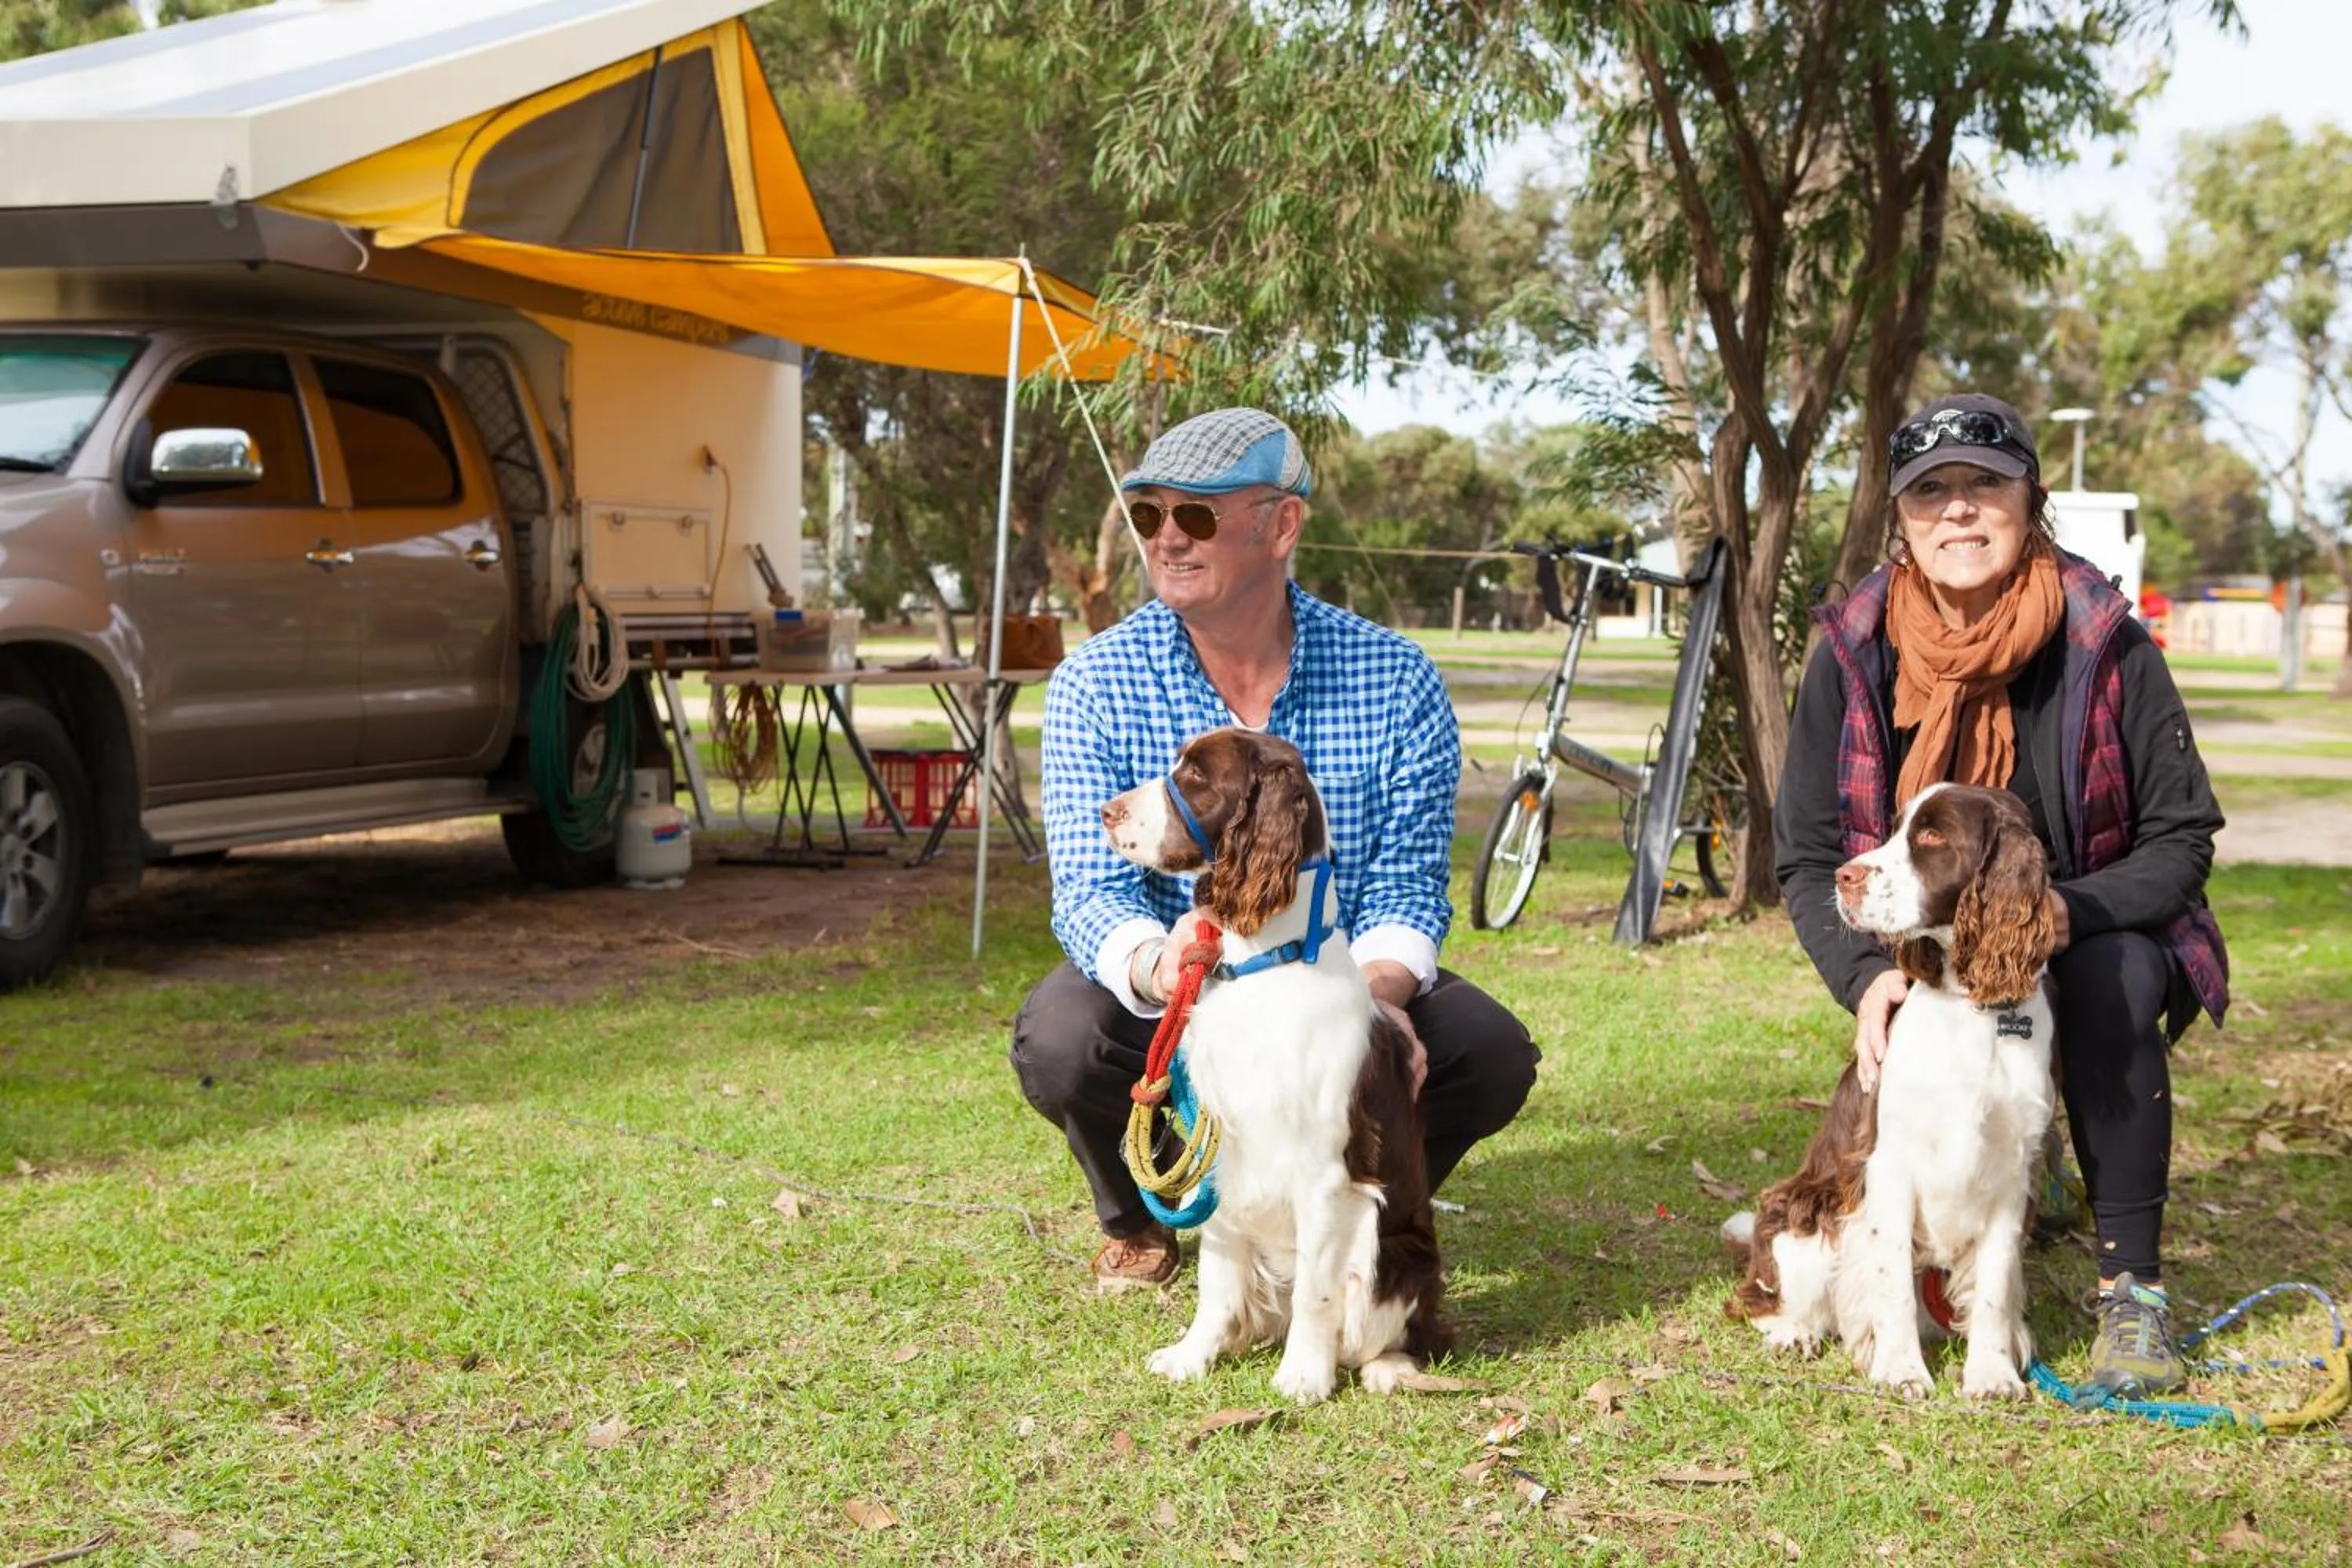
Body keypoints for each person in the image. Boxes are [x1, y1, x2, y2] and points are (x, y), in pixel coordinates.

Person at [1010, 407, 1541, 1289]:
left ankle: (1347, 1206)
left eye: (1199, 515)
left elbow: (1410, 887)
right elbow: (1091, 895)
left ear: (1282, 523)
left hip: (1331, 982)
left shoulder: (1397, 676)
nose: (1167, 539)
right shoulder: (1093, 681)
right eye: (1149, 515)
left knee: (1486, 1052)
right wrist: (1161, 965)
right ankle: (1142, 1215)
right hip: (1177, 993)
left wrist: (1364, 1010)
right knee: (1062, 1037)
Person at [1776, 393, 2229, 1396]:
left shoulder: (2105, 636)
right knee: (1919, 1039)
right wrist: (1865, 979)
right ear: (1900, 519)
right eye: (1931, 491)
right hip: (1926, 944)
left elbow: (2181, 836)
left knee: (2111, 975)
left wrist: (2071, 913)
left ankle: (2134, 1291)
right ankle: (1979, 1205)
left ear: (2033, 500)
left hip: (2085, 916)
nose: (1960, 511)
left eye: (1986, 484)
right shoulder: (1854, 646)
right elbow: (1809, 857)